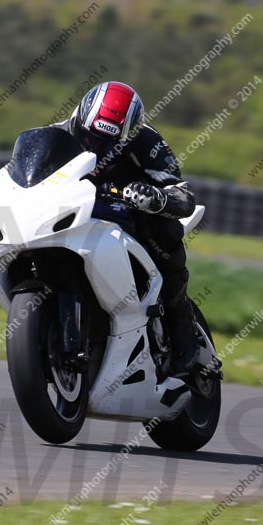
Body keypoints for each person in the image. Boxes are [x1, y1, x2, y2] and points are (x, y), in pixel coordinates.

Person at [49, 80, 200, 375]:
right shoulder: (58, 135)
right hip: (75, 214)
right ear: (81, 121)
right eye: (90, 138)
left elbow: (183, 196)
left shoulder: (147, 141)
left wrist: (155, 198)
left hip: (128, 217)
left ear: (129, 136)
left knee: (164, 231)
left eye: (108, 144)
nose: (96, 148)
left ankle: (182, 328)